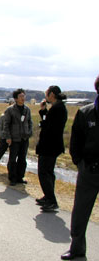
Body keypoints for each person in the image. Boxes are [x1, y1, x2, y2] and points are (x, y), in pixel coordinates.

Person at [60, 76, 99, 260]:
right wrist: (80, 163)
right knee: (81, 212)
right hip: (89, 171)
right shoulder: (86, 113)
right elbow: (75, 141)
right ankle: (76, 249)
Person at [35, 86, 67, 212]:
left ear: (52, 94)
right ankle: (48, 197)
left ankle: (51, 200)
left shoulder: (57, 109)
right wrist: (43, 111)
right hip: (52, 146)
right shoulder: (57, 107)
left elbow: (48, 126)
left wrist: (43, 121)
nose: (46, 96)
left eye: (47, 94)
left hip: (49, 146)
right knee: (48, 172)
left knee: (44, 172)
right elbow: (47, 121)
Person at [2, 88, 33, 186]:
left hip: (24, 138)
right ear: (15, 98)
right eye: (20, 96)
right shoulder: (10, 110)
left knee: (22, 159)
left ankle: (20, 177)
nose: (23, 98)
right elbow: (6, 124)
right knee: (12, 159)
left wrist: (29, 132)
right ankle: (12, 178)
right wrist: (8, 137)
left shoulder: (27, 109)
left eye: (24, 96)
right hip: (14, 138)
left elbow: (29, 122)